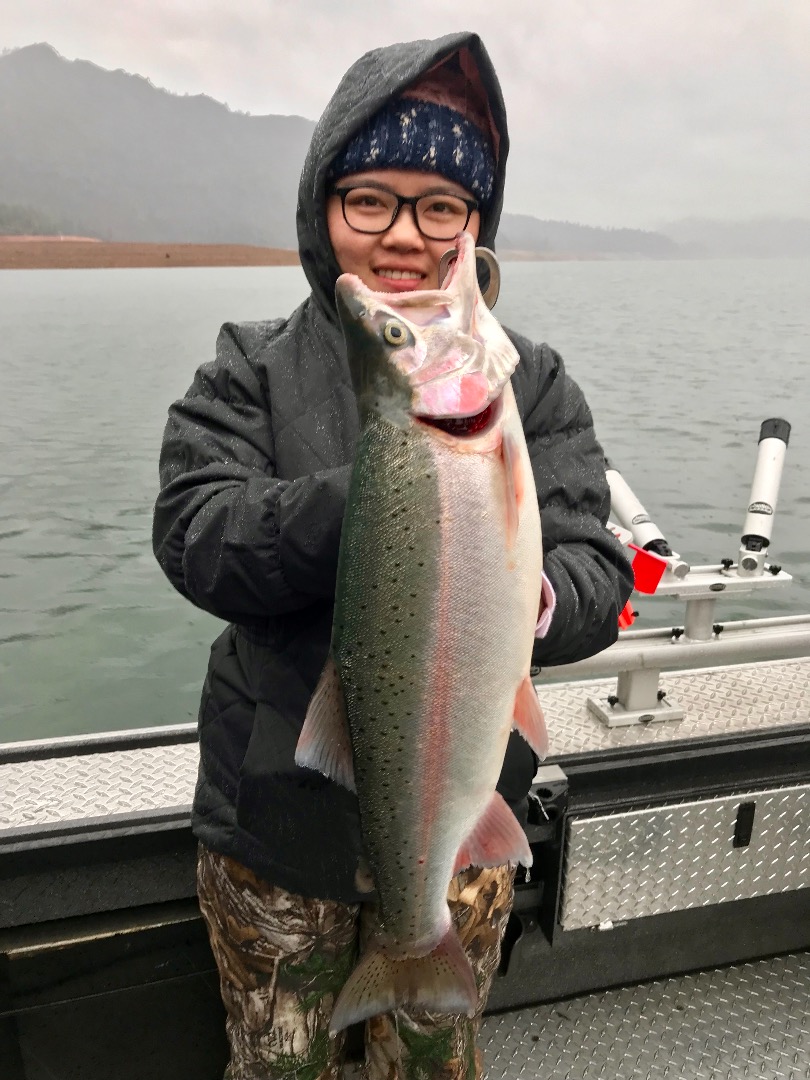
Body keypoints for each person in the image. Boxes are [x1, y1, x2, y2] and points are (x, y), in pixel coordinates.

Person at [153, 30, 633, 1080]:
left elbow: (601, 575)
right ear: (322, 211)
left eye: (440, 205)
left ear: (475, 224)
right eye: (369, 199)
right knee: (278, 1066)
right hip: (276, 834)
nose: (403, 234)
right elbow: (197, 538)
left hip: (461, 836)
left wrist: (524, 594)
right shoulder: (248, 368)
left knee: (432, 1066)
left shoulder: (532, 386)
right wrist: (382, 495)